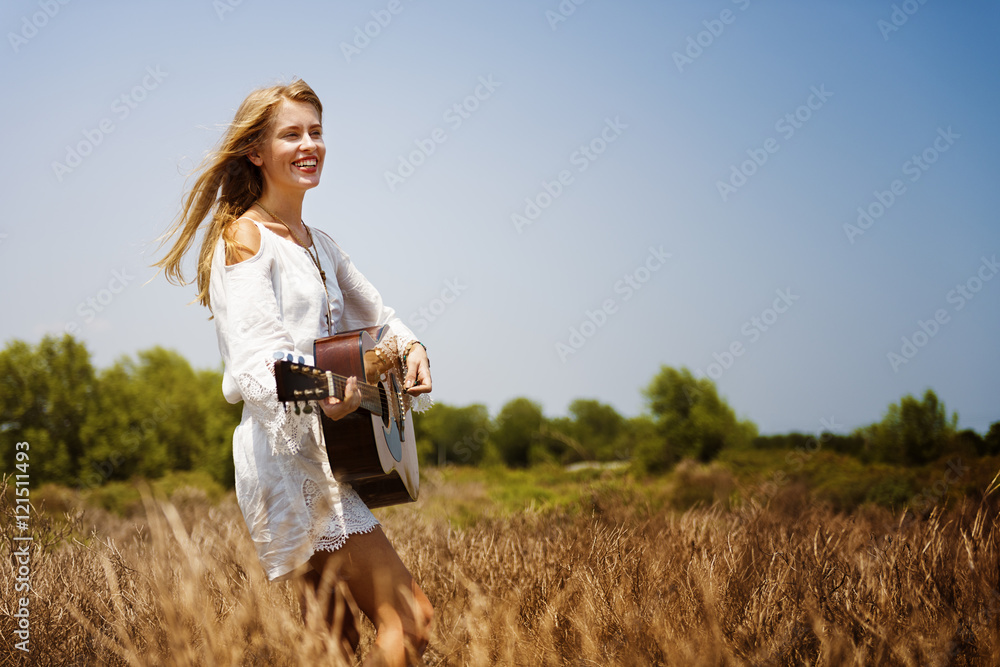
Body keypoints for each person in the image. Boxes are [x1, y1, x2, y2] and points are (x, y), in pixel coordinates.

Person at [155, 79, 434, 666]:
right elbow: (259, 365)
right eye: (291, 134)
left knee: (337, 646)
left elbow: (379, 319)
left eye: (316, 132)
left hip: (330, 451)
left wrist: (411, 346)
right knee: (409, 621)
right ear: (256, 151)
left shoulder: (320, 244)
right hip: (291, 464)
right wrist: (330, 391)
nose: (309, 145)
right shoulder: (246, 237)